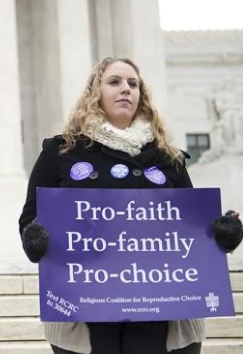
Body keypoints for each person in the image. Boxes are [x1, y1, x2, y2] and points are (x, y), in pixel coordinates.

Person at [19, 57, 243, 354]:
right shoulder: (60, 152)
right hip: (87, 311)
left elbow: (192, 223)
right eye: (115, 82)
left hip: (161, 311)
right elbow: (31, 218)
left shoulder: (168, 158)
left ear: (142, 96)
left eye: (133, 83)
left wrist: (222, 231)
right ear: (95, 93)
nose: (126, 89)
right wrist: (35, 238)